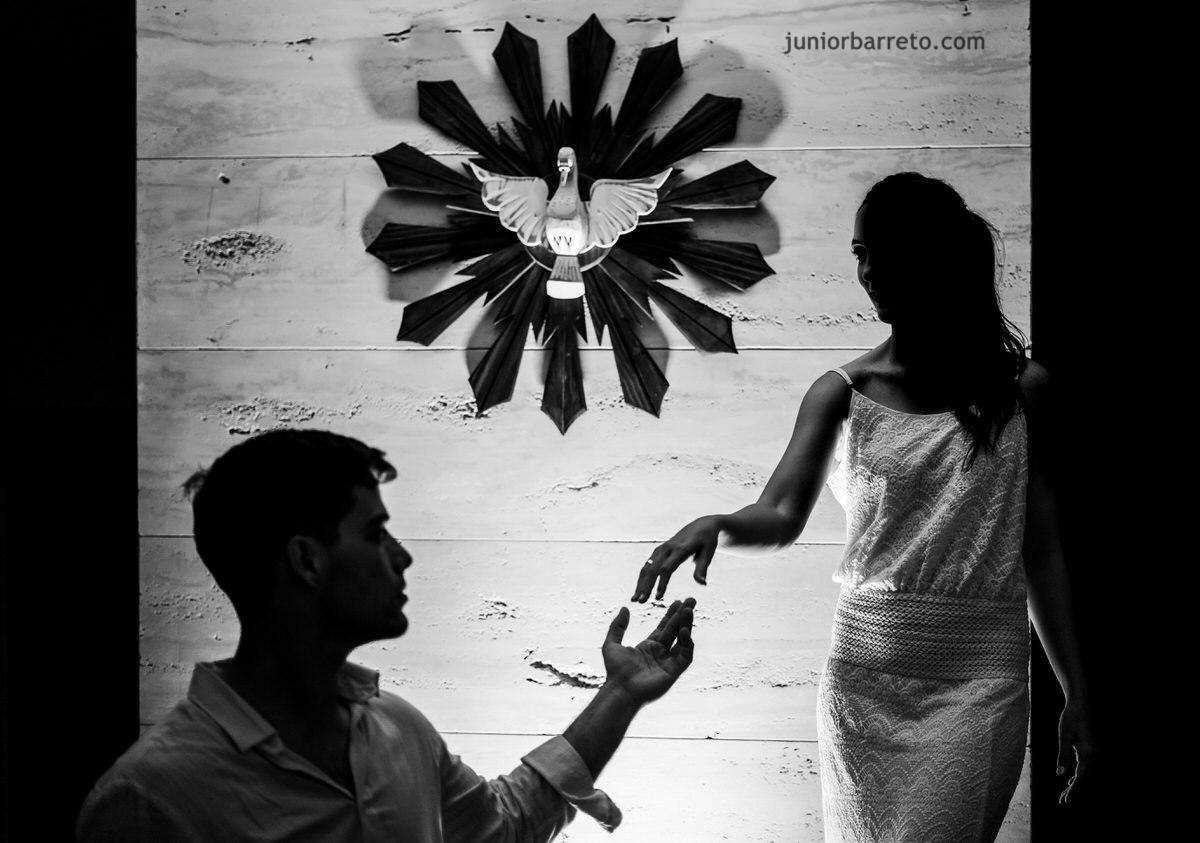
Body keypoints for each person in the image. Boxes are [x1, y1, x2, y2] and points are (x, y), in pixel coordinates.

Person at [631, 172, 1092, 841]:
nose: (868, 271)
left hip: (980, 680)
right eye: (859, 253)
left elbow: (1042, 550)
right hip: (862, 680)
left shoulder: (1024, 390)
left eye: (884, 252)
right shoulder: (841, 392)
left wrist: (1077, 690)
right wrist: (717, 523)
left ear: (935, 257)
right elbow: (779, 514)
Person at [78, 429, 696, 842]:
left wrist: (620, 694)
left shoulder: (398, 729)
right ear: (307, 560)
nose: (402, 557)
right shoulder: (150, 799)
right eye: (375, 534)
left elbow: (501, 827)